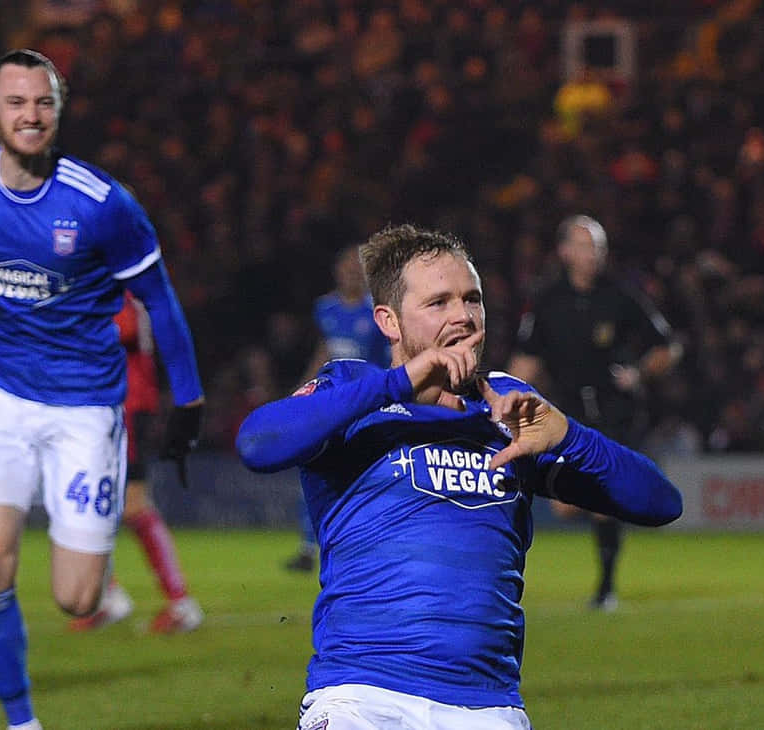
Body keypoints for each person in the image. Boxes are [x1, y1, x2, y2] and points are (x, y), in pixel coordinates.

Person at [235, 223, 682, 729]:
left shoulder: (508, 411)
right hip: (362, 697)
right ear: (390, 321)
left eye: (473, 300)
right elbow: (257, 443)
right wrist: (400, 383)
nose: (463, 316)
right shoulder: (353, 391)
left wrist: (570, 437)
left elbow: (661, 503)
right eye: (439, 303)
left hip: (487, 707)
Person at [0, 49, 204, 730]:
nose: (31, 115)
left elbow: (161, 303)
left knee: (78, 598)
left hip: (85, 404)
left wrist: (189, 399)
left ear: (59, 110)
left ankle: (85, 584)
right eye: (17, 102)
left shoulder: (102, 204)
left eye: (44, 103)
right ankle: (23, 722)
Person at [508, 215, 681, 612]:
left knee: (601, 494)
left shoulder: (620, 296)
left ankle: (606, 588)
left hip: (615, 411)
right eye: (586, 246)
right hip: (566, 411)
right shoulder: (547, 300)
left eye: (599, 247)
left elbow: (667, 346)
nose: (594, 255)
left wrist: (638, 373)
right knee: (566, 505)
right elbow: (526, 361)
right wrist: (504, 399)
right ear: (565, 251)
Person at [67, 293, 204, 634]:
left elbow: (122, 331)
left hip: (125, 403)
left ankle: (179, 602)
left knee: (133, 504)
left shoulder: (118, 289)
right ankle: (108, 595)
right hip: (110, 403)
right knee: (90, 500)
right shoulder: (119, 284)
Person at [284, 247, 387, 573]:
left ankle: (368, 541)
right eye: (346, 268)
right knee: (313, 464)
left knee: (366, 472)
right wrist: (302, 389)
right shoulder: (325, 309)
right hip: (332, 403)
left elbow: (388, 360)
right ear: (336, 272)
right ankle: (307, 547)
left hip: (366, 402)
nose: (351, 273)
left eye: (357, 269)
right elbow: (324, 351)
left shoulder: (377, 312)